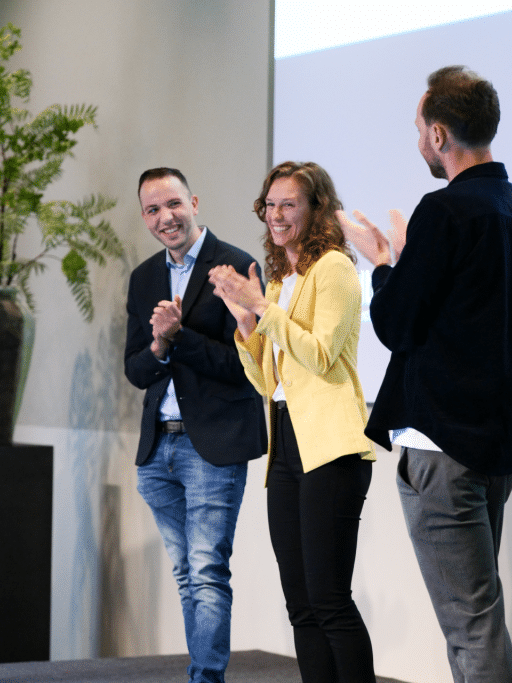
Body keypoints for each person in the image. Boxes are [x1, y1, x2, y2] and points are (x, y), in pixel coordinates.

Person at [339, 67, 512, 683]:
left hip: (441, 448)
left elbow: (395, 323)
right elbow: (471, 317)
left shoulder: (444, 211)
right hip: (496, 447)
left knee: (472, 627)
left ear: (438, 133)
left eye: (417, 129)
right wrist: (405, 263)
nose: (417, 140)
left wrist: (381, 265)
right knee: (475, 621)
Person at [209, 161, 377, 683]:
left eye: (289, 204)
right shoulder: (283, 281)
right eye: (270, 204)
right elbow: (268, 382)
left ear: (316, 208)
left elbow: (323, 355)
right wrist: (246, 326)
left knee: (330, 600)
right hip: (285, 444)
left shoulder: (335, 270)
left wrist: (263, 307)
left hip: (331, 448)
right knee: (301, 604)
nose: (276, 215)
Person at [124, 167, 266, 683]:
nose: (166, 218)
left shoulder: (237, 266)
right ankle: (203, 674)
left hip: (212, 447)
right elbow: (136, 369)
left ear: (195, 202)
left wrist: (180, 337)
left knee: (207, 572)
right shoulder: (143, 278)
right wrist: (160, 344)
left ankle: (205, 679)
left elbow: (246, 367)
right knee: (187, 574)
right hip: (158, 448)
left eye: (174, 205)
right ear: (144, 217)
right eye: (153, 210)